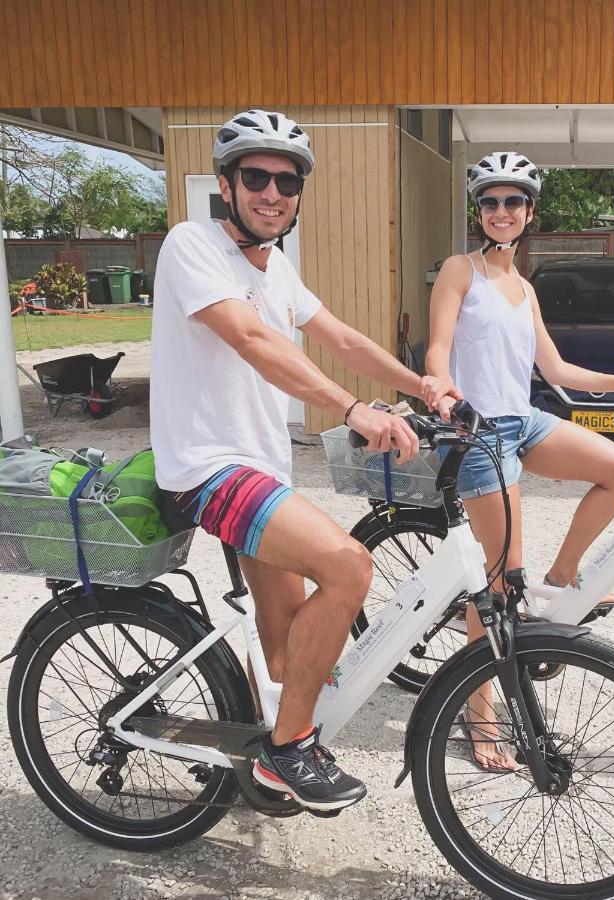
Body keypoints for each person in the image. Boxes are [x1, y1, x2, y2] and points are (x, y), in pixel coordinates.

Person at [149, 109, 461, 811]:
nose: (271, 192)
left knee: (290, 654)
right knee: (350, 565)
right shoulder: (190, 245)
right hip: (210, 469)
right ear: (227, 184)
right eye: (254, 176)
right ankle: (287, 751)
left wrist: (420, 388)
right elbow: (254, 341)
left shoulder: (276, 265)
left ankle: (266, 749)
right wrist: (353, 410)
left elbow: (340, 337)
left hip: (261, 468)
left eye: (286, 181)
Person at [426, 151, 614, 771]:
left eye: (513, 202)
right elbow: (438, 349)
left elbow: (557, 370)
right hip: (478, 431)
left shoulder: (525, 287)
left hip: (523, 418)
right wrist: (445, 392)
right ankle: (479, 718)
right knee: (499, 584)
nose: (501, 212)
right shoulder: (461, 270)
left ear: (529, 212)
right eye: (489, 202)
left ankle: (561, 579)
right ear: (478, 211)